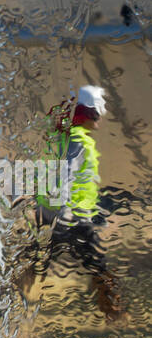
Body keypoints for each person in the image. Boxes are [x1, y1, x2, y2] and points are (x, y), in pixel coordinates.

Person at [20, 85, 123, 320]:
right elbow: (64, 175)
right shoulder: (76, 139)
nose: (98, 120)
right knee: (98, 267)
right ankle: (116, 316)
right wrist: (66, 214)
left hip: (58, 214)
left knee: (37, 263)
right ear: (86, 114)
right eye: (95, 114)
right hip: (66, 216)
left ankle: (9, 304)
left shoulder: (71, 137)